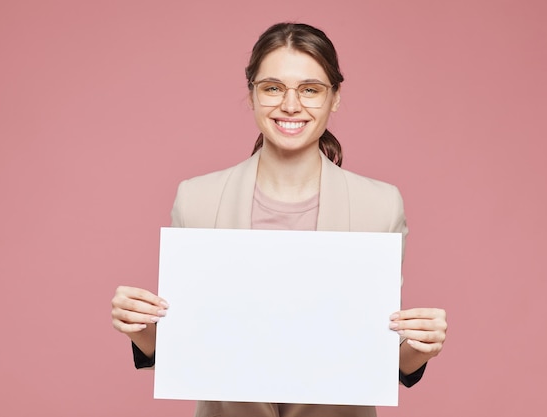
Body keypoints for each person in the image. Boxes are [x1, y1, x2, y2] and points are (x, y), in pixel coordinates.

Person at [111, 22, 447, 417]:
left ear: (335, 97)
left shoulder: (379, 204)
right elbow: (192, 349)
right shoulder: (197, 199)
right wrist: (141, 329)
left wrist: (420, 346)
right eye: (273, 87)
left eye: (310, 89)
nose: (290, 105)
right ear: (252, 93)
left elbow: (372, 357)